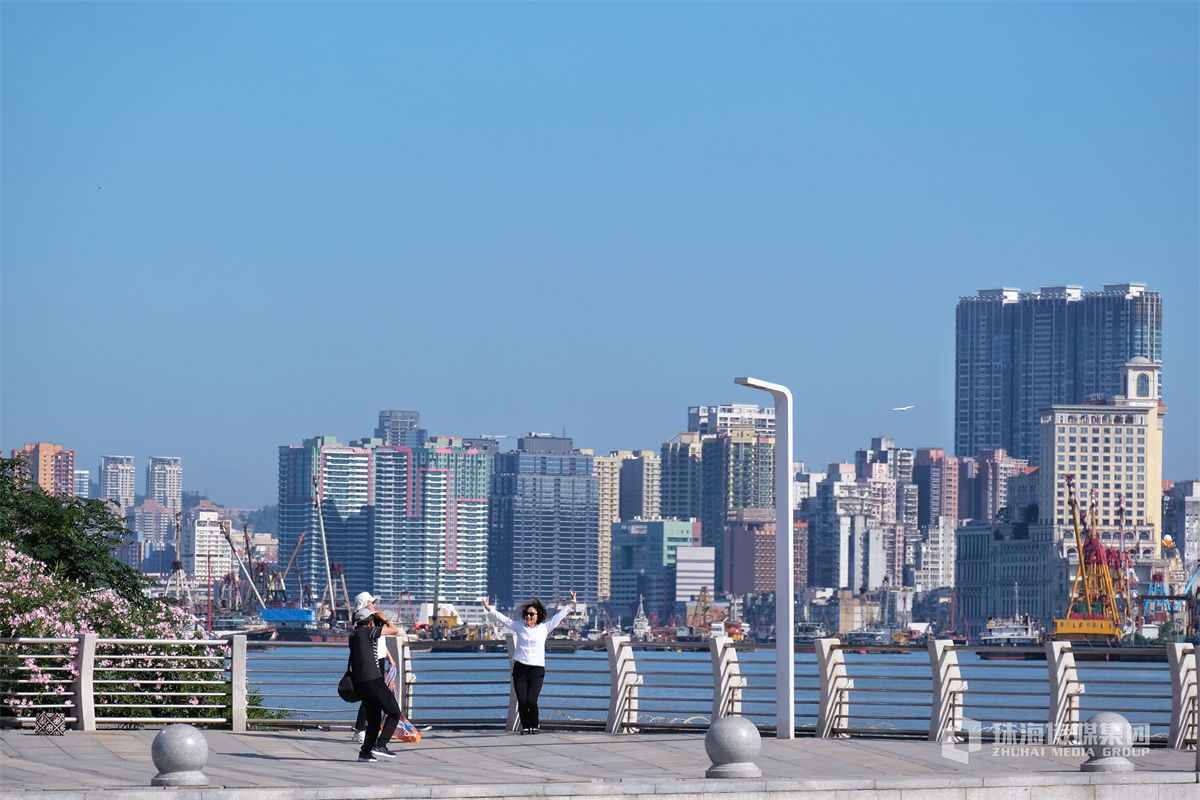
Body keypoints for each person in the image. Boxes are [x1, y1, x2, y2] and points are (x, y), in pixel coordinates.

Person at [482, 591, 575, 734]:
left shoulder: (544, 628)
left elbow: (558, 617)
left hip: (536, 671)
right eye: (527, 614)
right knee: (522, 701)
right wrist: (489, 609)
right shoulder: (519, 627)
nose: (528, 616)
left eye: (532, 614)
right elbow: (504, 620)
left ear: (538, 617)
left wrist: (571, 604)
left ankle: (535, 725)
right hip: (520, 669)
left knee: (532, 701)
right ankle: (526, 727)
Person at [348, 607, 402, 762]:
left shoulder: (354, 635)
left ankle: (365, 753)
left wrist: (375, 621)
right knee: (393, 713)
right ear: (369, 622)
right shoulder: (367, 632)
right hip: (373, 680)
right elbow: (394, 630)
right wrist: (384, 618)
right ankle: (381, 744)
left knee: (374, 720)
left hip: (360, 683)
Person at [350, 592, 395, 744]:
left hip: (380, 658)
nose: (374, 605)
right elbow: (371, 642)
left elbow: (380, 640)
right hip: (371, 663)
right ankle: (360, 730)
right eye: (371, 603)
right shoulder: (363, 622)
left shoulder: (372, 620)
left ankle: (370, 742)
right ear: (365, 605)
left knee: (374, 699)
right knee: (371, 697)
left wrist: (389, 657)